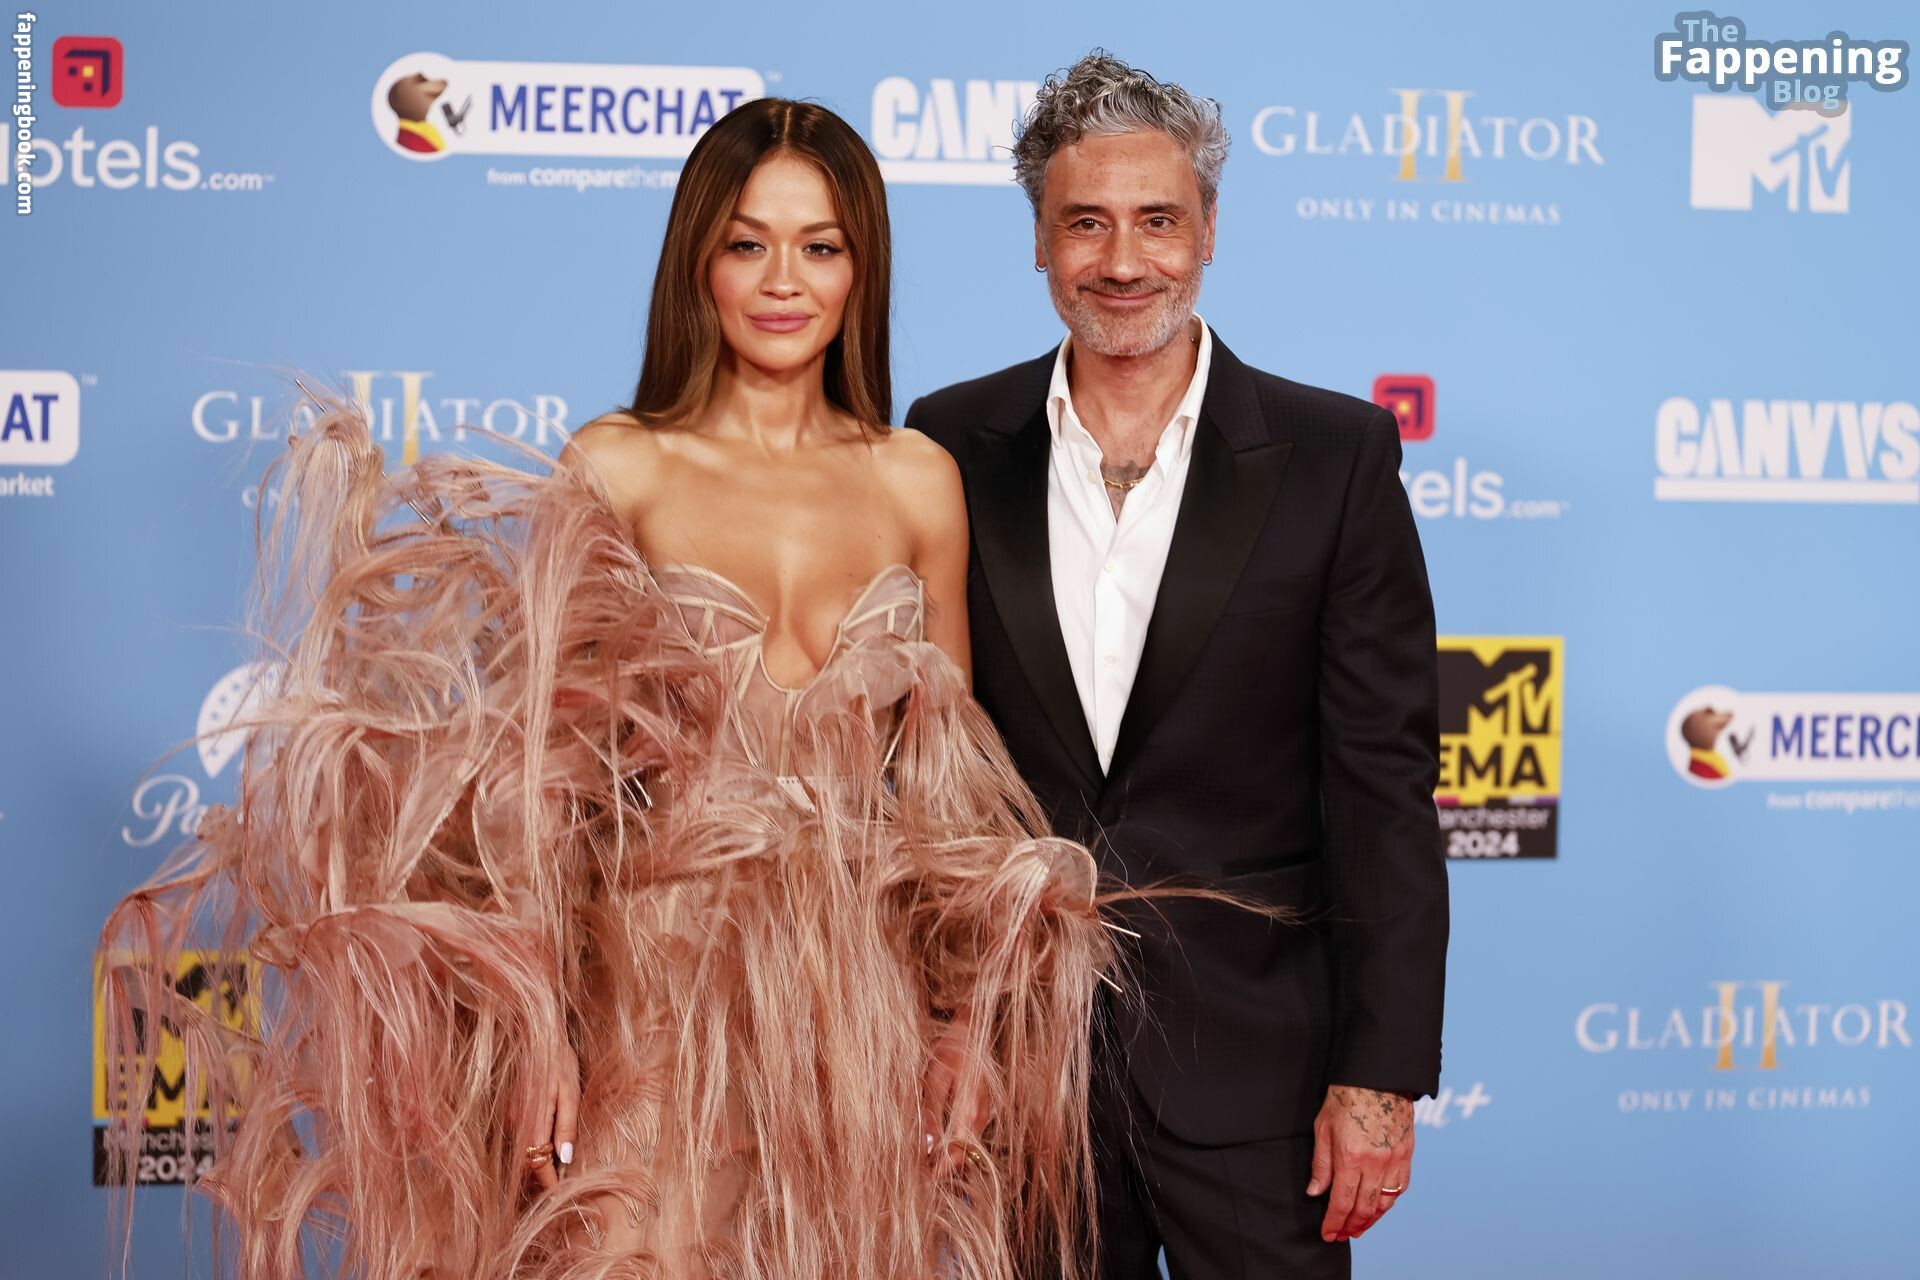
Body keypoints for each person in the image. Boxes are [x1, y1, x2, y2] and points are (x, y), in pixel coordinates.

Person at [96, 98, 1115, 1280]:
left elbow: (948, 813)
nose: (784, 280)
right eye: (747, 243)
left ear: (862, 268)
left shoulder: (917, 480)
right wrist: (544, 1030)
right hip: (654, 998)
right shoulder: (618, 464)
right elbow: (542, 796)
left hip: (858, 1012)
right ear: (698, 263)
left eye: (820, 245)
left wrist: (961, 1026)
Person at [905, 53, 1451, 1278]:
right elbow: (922, 771)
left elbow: (1383, 784)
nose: (1122, 259)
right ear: (1038, 242)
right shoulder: (946, 442)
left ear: (1209, 230)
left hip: (1257, 1071)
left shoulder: (1335, 456)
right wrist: (937, 1017)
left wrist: (1380, 1072)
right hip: (1016, 1073)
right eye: (1084, 222)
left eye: (1157, 219)